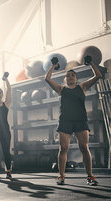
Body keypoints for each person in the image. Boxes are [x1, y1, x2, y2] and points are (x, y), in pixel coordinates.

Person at [45, 56, 102, 185]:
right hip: (65, 121)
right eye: (68, 75)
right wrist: (53, 66)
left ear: (76, 79)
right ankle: (61, 176)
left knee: (84, 147)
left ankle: (90, 177)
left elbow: (98, 75)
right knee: (63, 148)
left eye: (72, 75)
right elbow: (47, 78)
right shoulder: (61, 89)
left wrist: (91, 62)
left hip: (80, 121)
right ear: (65, 79)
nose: (70, 77)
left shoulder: (82, 87)